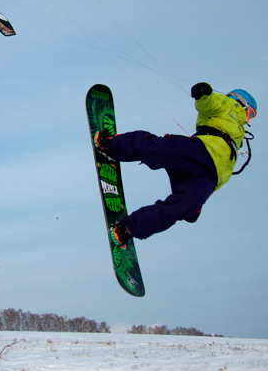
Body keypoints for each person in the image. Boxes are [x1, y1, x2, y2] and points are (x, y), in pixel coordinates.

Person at [94, 82, 256, 248]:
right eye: (251, 114)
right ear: (244, 105)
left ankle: (128, 229)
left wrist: (204, 195)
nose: (249, 119)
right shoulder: (230, 107)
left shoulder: (238, 140)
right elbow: (210, 103)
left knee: (182, 207)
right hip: (201, 152)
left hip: (208, 177)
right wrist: (204, 94)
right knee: (162, 149)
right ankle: (112, 145)